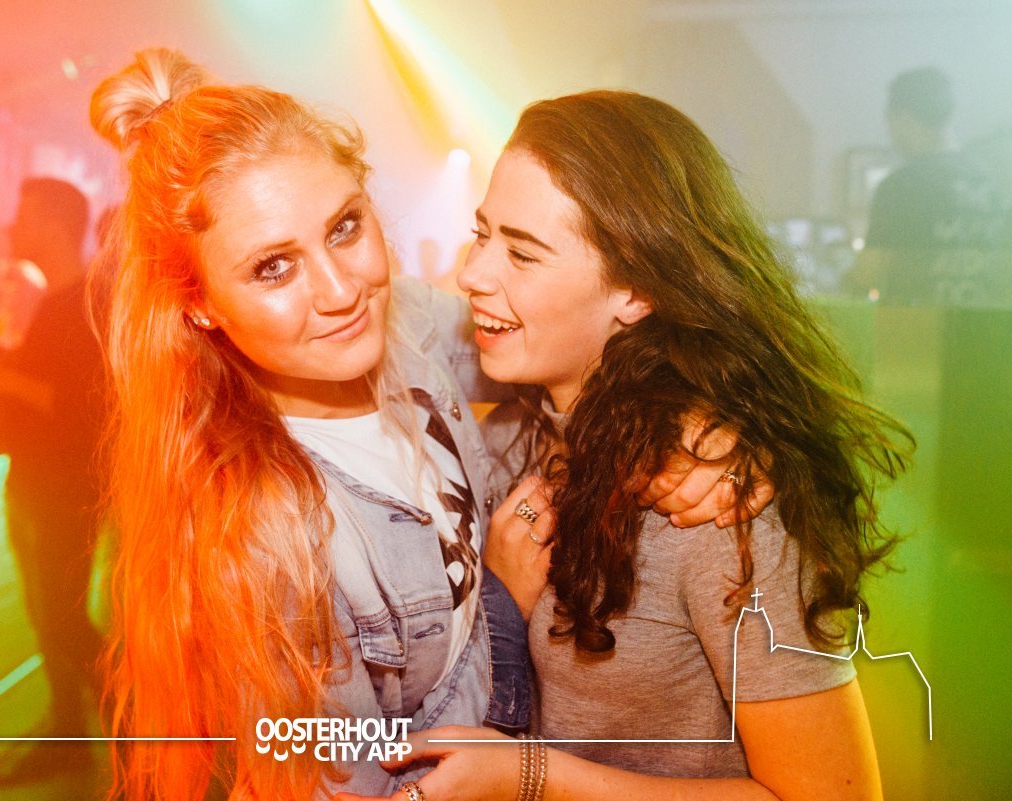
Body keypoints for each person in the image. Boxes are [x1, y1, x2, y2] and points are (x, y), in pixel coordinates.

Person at [88, 52, 748, 801]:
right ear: (201, 304)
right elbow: (370, 785)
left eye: (344, 227)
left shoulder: (401, 328)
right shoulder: (262, 540)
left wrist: (697, 424)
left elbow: (563, 341)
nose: (341, 291)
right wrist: (500, 602)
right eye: (274, 267)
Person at [339, 91, 912, 801]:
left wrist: (533, 777)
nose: (474, 273)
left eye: (522, 253)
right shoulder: (510, 430)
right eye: (481, 234)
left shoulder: (712, 501)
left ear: (636, 290)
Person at [0, 177, 106, 782]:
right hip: (32, 477)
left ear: (55, 228)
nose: (12, 227)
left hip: (68, 485)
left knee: (67, 620)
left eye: (25, 218)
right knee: (46, 612)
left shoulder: (85, 305)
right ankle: (68, 734)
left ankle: (141, 745)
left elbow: (81, 408)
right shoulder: (45, 300)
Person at [846, 66, 996, 304]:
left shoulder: (901, 186)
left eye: (890, 123)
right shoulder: (987, 180)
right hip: (983, 322)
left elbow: (869, 274)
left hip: (916, 322)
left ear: (903, 119)